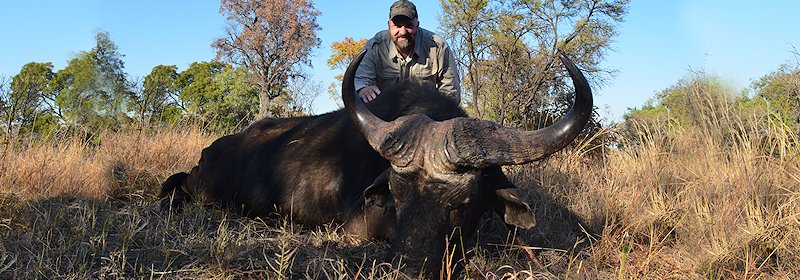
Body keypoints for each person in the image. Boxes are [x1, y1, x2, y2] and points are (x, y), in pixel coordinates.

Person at [355, 0, 461, 104]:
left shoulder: (438, 46)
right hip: (385, 114)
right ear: (389, 25)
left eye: (409, 26)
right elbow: (360, 80)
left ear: (417, 25)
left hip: (426, 115)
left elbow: (450, 91)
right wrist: (363, 89)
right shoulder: (375, 46)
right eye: (397, 26)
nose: (403, 32)